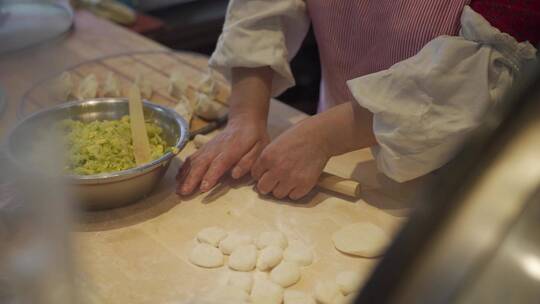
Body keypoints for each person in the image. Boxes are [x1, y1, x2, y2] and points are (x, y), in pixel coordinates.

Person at [176, 0, 539, 200]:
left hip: (458, 180)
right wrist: (246, 115)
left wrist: (325, 136)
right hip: (330, 149)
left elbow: (480, 84)